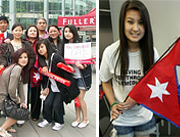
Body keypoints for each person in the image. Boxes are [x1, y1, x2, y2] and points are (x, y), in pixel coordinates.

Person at [101, 1, 160, 136]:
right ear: (123, 23)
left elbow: (155, 82)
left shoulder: (151, 52)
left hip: (144, 117)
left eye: (140, 22)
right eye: (130, 22)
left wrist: (137, 98)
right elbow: (105, 81)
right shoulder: (110, 52)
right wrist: (112, 103)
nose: (135, 28)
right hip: (121, 120)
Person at [36, 39, 78, 131]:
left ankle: (60, 122)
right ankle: (47, 120)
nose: (40, 50)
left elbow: (65, 67)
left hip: (61, 86)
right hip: (52, 86)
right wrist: (45, 87)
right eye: (38, 48)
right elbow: (45, 77)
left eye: (42, 47)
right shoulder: (42, 60)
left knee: (56, 104)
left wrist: (68, 67)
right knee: (47, 103)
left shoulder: (55, 57)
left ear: (47, 46)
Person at [0, 49, 30, 137]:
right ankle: (1, 130)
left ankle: (7, 127)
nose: (23, 59)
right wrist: (17, 100)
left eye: (25, 57)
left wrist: (23, 101)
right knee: (18, 113)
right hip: (0, 97)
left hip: (2, 96)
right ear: (16, 58)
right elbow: (12, 90)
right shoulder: (17, 68)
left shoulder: (17, 67)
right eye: (20, 57)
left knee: (18, 108)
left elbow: (20, 87)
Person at [58, 24, 91, 129]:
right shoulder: (63, 46)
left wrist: (81, 65)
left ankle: (85, 119)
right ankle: (77, 118)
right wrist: (67, 66)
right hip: (71, 76)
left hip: (81, 77)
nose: (67, 34)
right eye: (65, 32)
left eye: (69, 31)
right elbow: (62, 61)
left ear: (74, 33)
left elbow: (87, 62)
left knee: (80, 98)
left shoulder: (81, 45)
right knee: (76, 98)